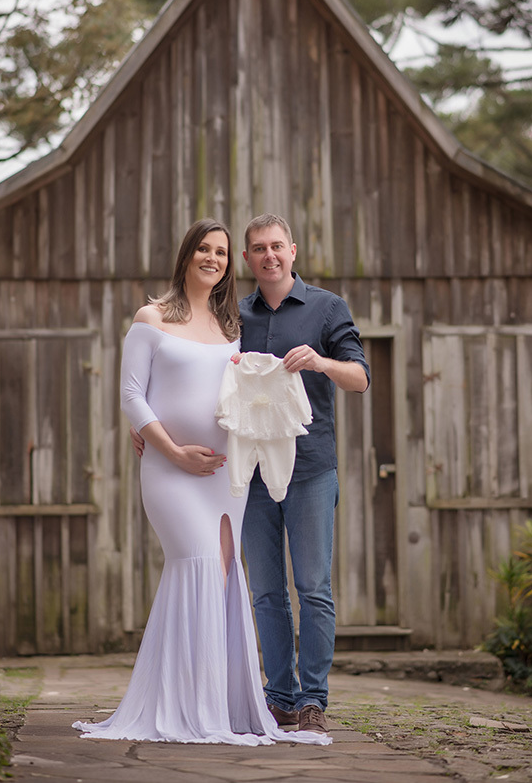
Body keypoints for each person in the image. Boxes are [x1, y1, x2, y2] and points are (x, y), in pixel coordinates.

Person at [73, 218, 330, 747]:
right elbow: (131, 395)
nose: (213, 258)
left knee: (223, 574)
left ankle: (223, 703)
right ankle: (182, 703)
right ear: (187, 255)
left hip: (223, 476)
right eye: (204, 250)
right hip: (170, 471)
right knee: (193, 564)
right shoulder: (152, 317)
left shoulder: (229, 325)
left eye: (221, 252)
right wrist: (167, 446)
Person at [130, 213, 370, 736]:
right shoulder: (231, 318)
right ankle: (277, 697)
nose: (269, 255)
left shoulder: (328, 307)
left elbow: (361, 378)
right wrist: (152, 428)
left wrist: (322, 364)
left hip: (308, 469)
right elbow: (191, 377)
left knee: (313, 587)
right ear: (247, 259)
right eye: (258, 248)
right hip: (243, 475)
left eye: (277, 246)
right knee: (263, 591)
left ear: (293, 251)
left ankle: (312, 700)